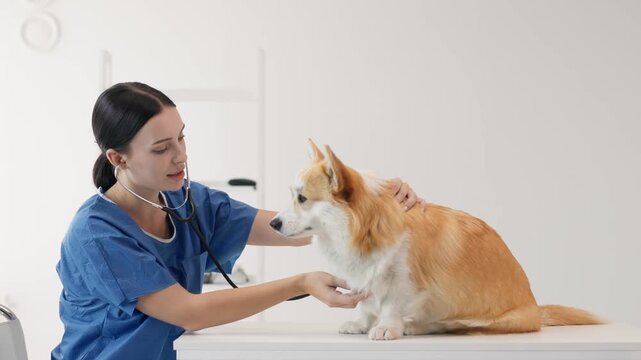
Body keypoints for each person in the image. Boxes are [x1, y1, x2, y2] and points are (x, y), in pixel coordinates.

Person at [52, 82, 424, 359]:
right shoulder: (96, 235)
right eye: (162, 148)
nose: (180, 156)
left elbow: (292, 230)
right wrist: (300, 283)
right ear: (118, 159)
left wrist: (372, 200)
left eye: (181, 138)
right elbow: (189, 313)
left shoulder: (189, 200)